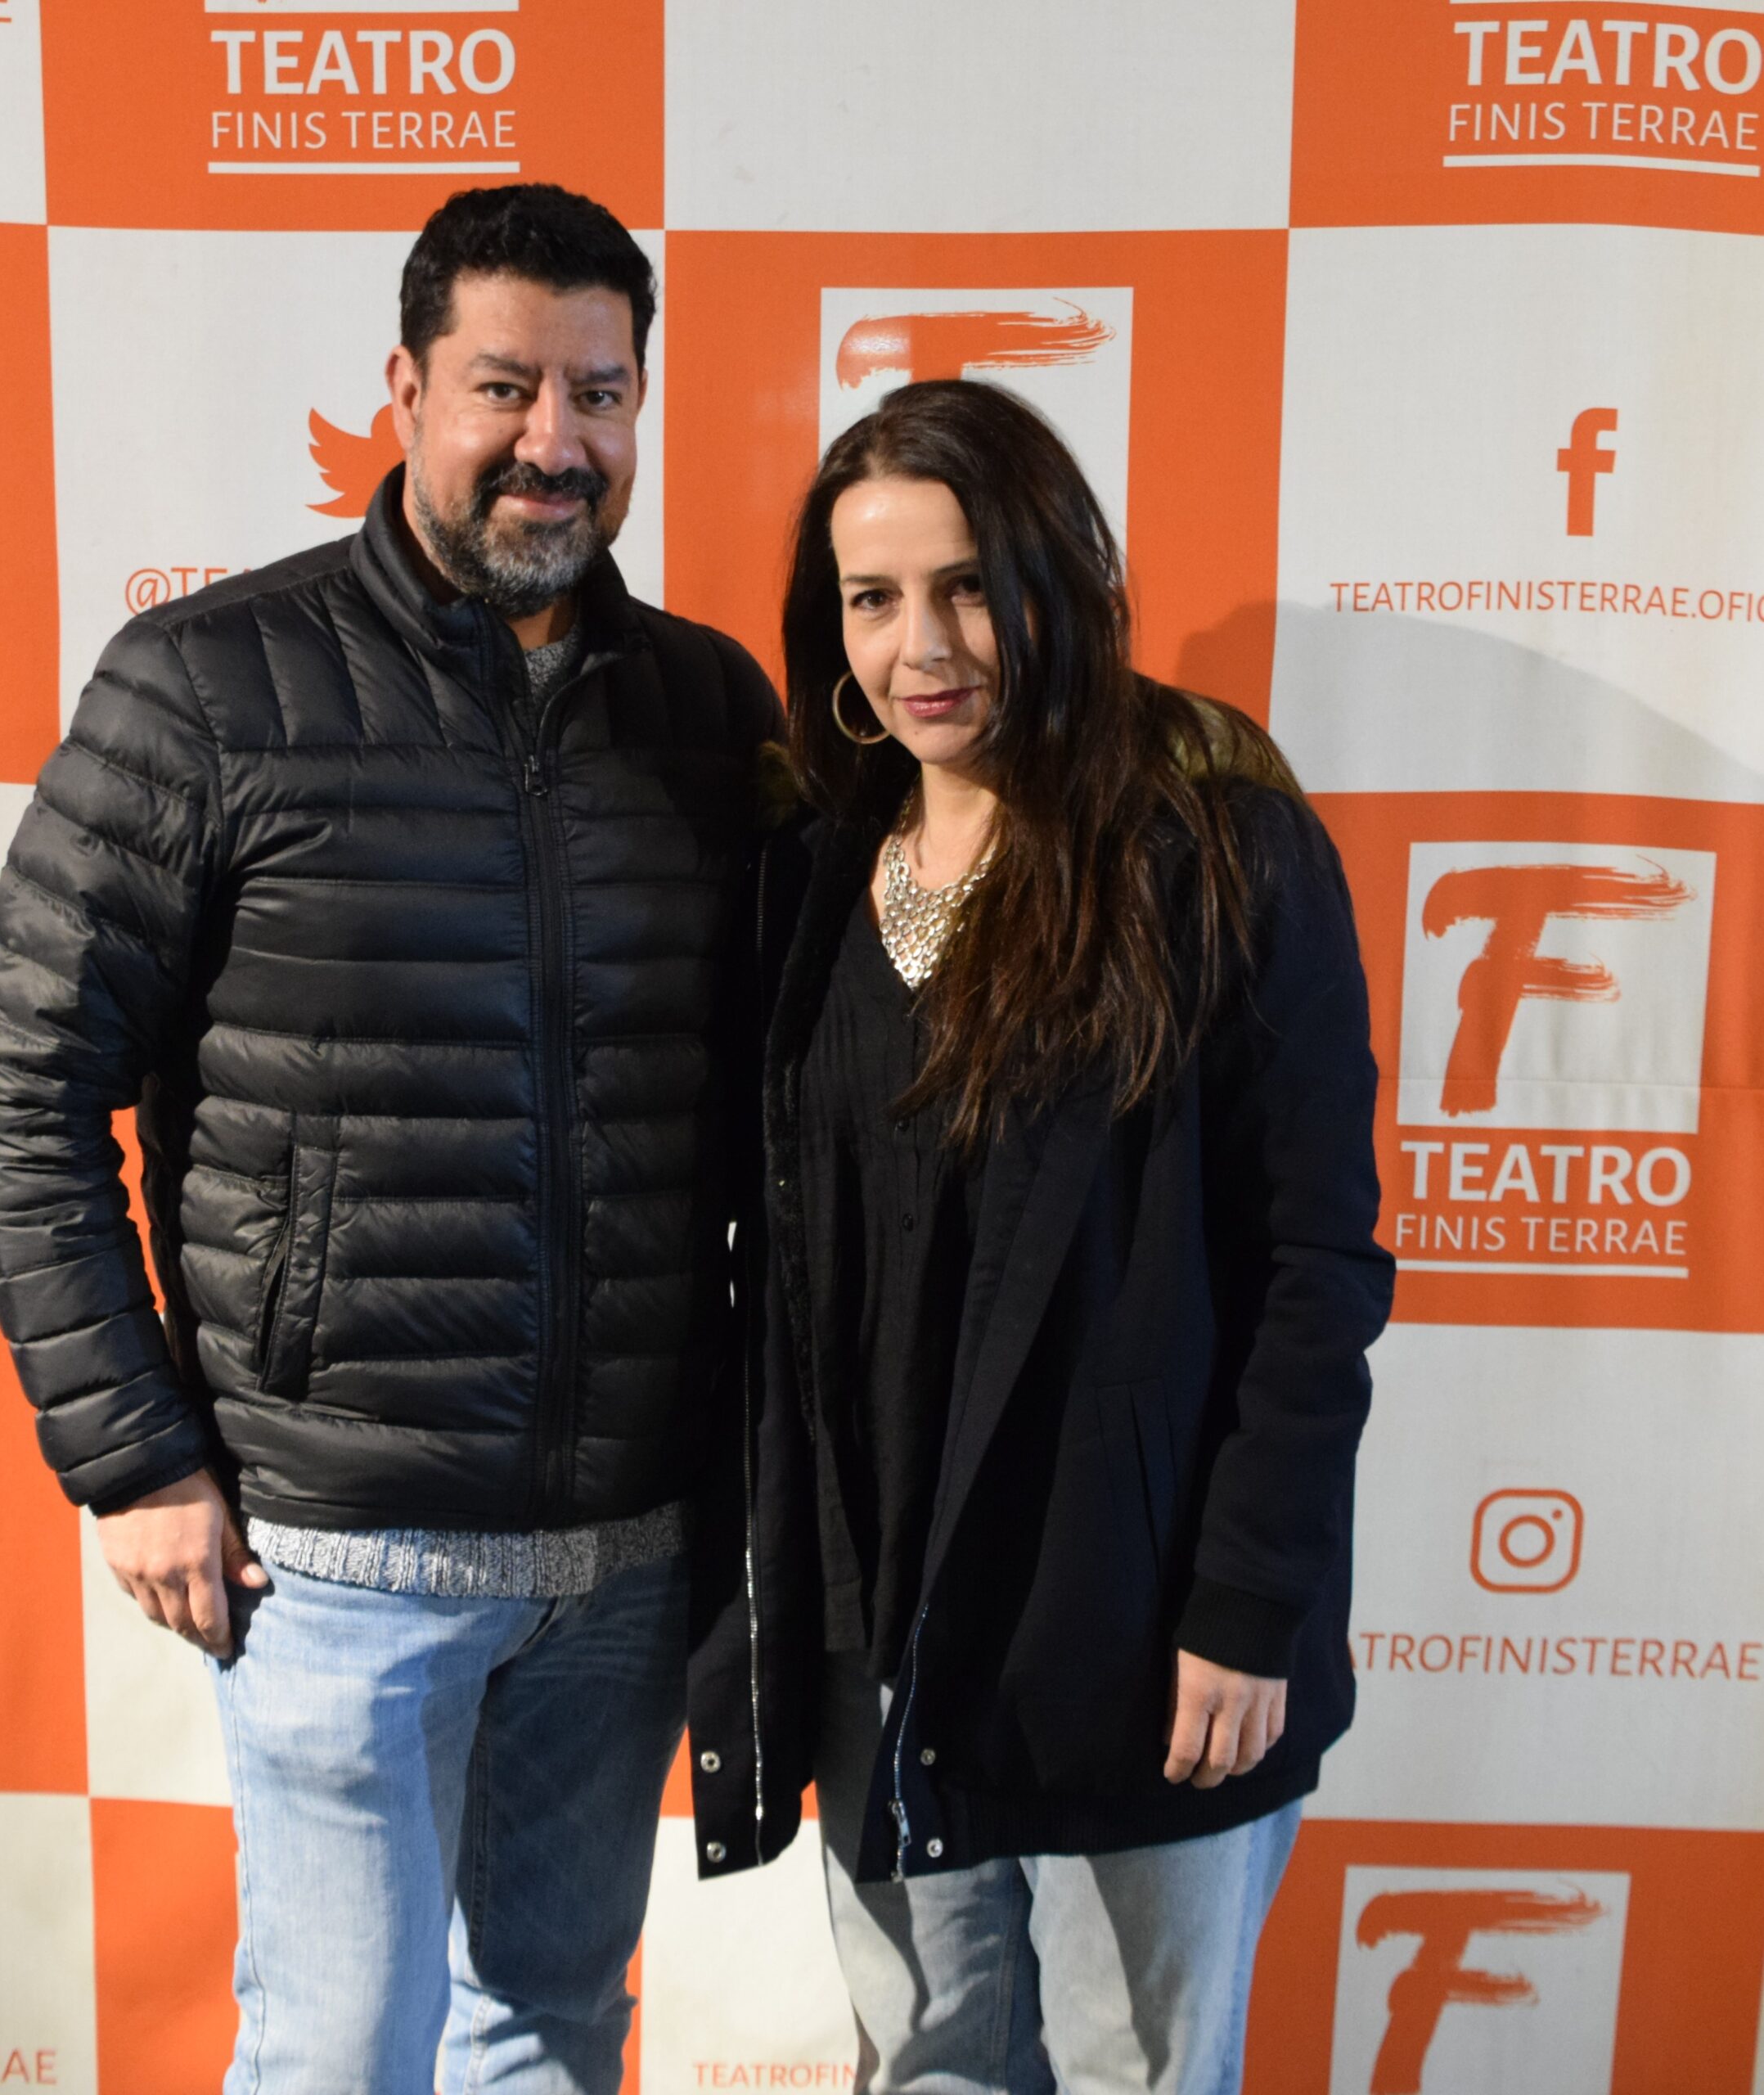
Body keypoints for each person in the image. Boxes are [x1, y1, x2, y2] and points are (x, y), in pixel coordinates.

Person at [0, 183, 781, 2094]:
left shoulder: (707, 707)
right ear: (404, 391)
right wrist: (134, 1455)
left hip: (629, 1547)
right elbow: (18, 1088)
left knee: (553, 2031)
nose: (554, 442)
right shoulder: (207, 686)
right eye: (505, 386)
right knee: (338, 2052)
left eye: (599, 393)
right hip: (339, 1553)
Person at [686, 380, 1393, 2095]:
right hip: (881, 1635)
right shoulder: (809, 872)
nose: (919, 646)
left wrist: (1245, 1602)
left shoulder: (1212, 854)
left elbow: (1316, 1267)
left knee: (1135, 2070)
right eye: (872, 598)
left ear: (1055, 578)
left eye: (966, 586)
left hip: (1137, 1634)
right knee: (926, 2060)